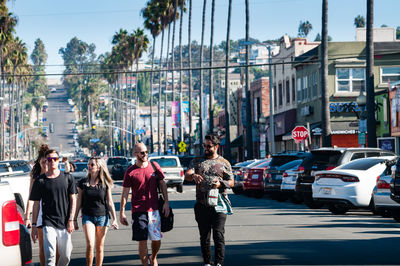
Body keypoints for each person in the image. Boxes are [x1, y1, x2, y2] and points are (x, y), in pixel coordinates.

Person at [185, 134, 234, 266]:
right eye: (204, 146)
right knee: (204, 236)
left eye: (209, 146)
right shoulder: (197, 161)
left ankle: (218, 262)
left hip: (219, 204)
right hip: (202, 204)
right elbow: (187, 174)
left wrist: (220, 184)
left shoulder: (224, 163)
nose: (206, 148)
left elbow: (232, 182)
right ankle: (207, 262)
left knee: (218, 234)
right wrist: (193, 175)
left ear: (216, 147)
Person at [120, 142, 170, 266]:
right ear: (135, 154)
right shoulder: (130, 171)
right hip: (138, 210)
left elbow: (162, 184)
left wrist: (166, 203)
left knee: (156, 239)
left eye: (146, 152)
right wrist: (122, 212)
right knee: (142, 240)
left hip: (154, 209)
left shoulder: (154, 166)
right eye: (142, 152)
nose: (145, 154)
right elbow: (125, 193)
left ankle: (153, 257)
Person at [30, 149, 78, 266]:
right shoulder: (40, 181)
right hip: (48, 222)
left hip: (65, 221)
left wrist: (71, 219)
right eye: (50, 159)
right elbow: (36, 204)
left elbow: (73, 200)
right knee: (50, 254)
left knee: (66, 256)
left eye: (55, 159)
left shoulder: (67, 178)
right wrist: (34, 225)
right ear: (46, 161)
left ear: (59, 160)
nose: (52, 161)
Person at [74, 157, 119, 266]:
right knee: (90, 244)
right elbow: (79, 201)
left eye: (92, 165)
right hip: (87, 216)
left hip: (102, 217)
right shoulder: (82, 183)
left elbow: (110, 202)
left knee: (100, 246)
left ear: (99, 167)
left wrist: (115, 219)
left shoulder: (105, 183)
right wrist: (74, 219)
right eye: (88, 165)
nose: (89, 167)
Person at [25, 144, 49, 266]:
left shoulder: (55, 174)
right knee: (42, 246)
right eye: (43, 162)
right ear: (39, 162)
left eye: (47, 161)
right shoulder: (35, 177)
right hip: (39, 213)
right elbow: (31, 198)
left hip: (55, 213)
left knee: (58, 248)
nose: (45, 164)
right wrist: (27, 217)